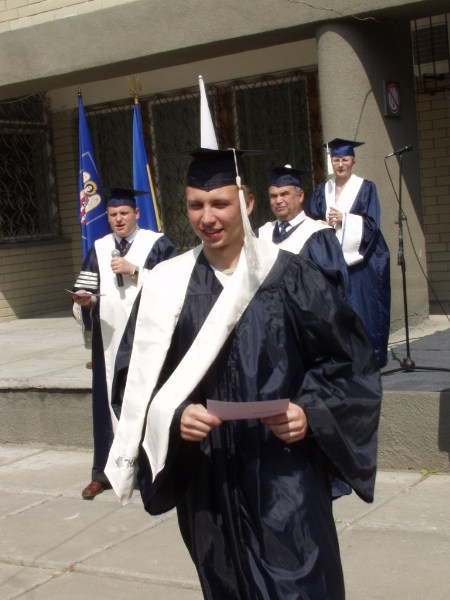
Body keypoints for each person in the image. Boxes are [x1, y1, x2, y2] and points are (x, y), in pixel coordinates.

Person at [105, 149, 381, 599]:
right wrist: (176, 415)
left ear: (247, 203)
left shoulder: (290, 277)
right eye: (196, 205)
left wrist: (310, 412)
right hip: (208, 481)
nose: (207, 217)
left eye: (220, 203)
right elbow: (132, 381)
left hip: (284, 476)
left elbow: (348, 363)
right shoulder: (167, 285)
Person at [71, 187, 176, 500]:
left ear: (136, 214)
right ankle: (104, 473)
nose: (118, 219)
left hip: (147, 338)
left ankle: (151, 471)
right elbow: (86, 290)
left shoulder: (156, 243)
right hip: (110, 338)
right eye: (113, 214)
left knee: (146, 401)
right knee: (107, 405)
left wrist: (136, 271)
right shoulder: (99, 248)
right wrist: (84, 301)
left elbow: (176, 284)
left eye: (124, 213)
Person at [305, 138, 391, 368]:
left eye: (344, 159)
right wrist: (323, 223)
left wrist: (345, 219)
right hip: (331, 259)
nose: (340, 164)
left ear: (353, 161)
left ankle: (369, 360)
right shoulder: (323, 189)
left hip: (362, 260)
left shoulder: (366, 187)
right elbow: (312, 217)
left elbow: (372, 223)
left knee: (364, 309)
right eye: (336, 160)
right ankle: (342, 360)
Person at [257, 164, 348, 296]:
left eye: (284, 194)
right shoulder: (261, 234)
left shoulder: (319, 235)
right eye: (273, 196)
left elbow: (332, 289)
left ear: (300, 196)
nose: (278, 200)